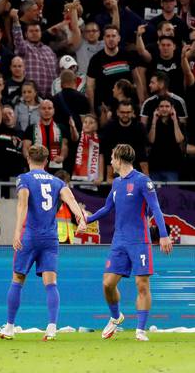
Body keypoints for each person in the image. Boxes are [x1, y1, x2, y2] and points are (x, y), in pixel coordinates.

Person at [84, 144, 173, 341]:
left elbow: (156, 208)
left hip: (140, 241)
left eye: (112, 158)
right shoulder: (116, 183)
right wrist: (87, 220)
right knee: (107, 284)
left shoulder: (143, 181)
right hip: (119, 241)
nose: (110, 162)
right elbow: (107, 208)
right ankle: (116, 317)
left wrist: (164, 235)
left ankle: (140, 330)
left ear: (119, 159)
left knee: (142, 284)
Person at [0, 144, 86, 341]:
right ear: (46, 161)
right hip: (50, 238)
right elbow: (71, 200)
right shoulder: (57, 182)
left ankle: (10, 327)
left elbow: (22, 203)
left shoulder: (24, 179)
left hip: (30, 236)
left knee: (18, 279)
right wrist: (80, 219)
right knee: (51, 282)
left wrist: (16, 232)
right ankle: (52, 328)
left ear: (28, 159)